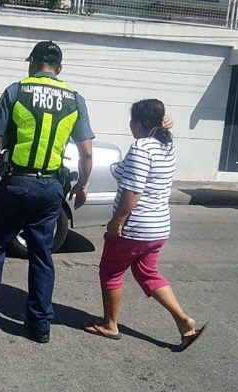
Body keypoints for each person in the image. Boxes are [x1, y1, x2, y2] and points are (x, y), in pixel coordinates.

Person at [0, 41, 94, 343]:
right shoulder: (75, 99)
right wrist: (81, 184)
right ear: (59, 69)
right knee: (41, 254)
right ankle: (39, 325)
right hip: (52, 188)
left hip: (18, 184)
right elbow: (87, 153)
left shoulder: (16, 90)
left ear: (32, 64)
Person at [83, 99, 206, 352]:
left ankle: (110, 325)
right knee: (147, 274)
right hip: (158, 227)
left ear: (138, 123)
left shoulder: (141, 147)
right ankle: (184, 322)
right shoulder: (167, 144)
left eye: (132, 120)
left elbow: (133, 191)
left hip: (135, 227)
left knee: (111, 272)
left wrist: (117, 222)